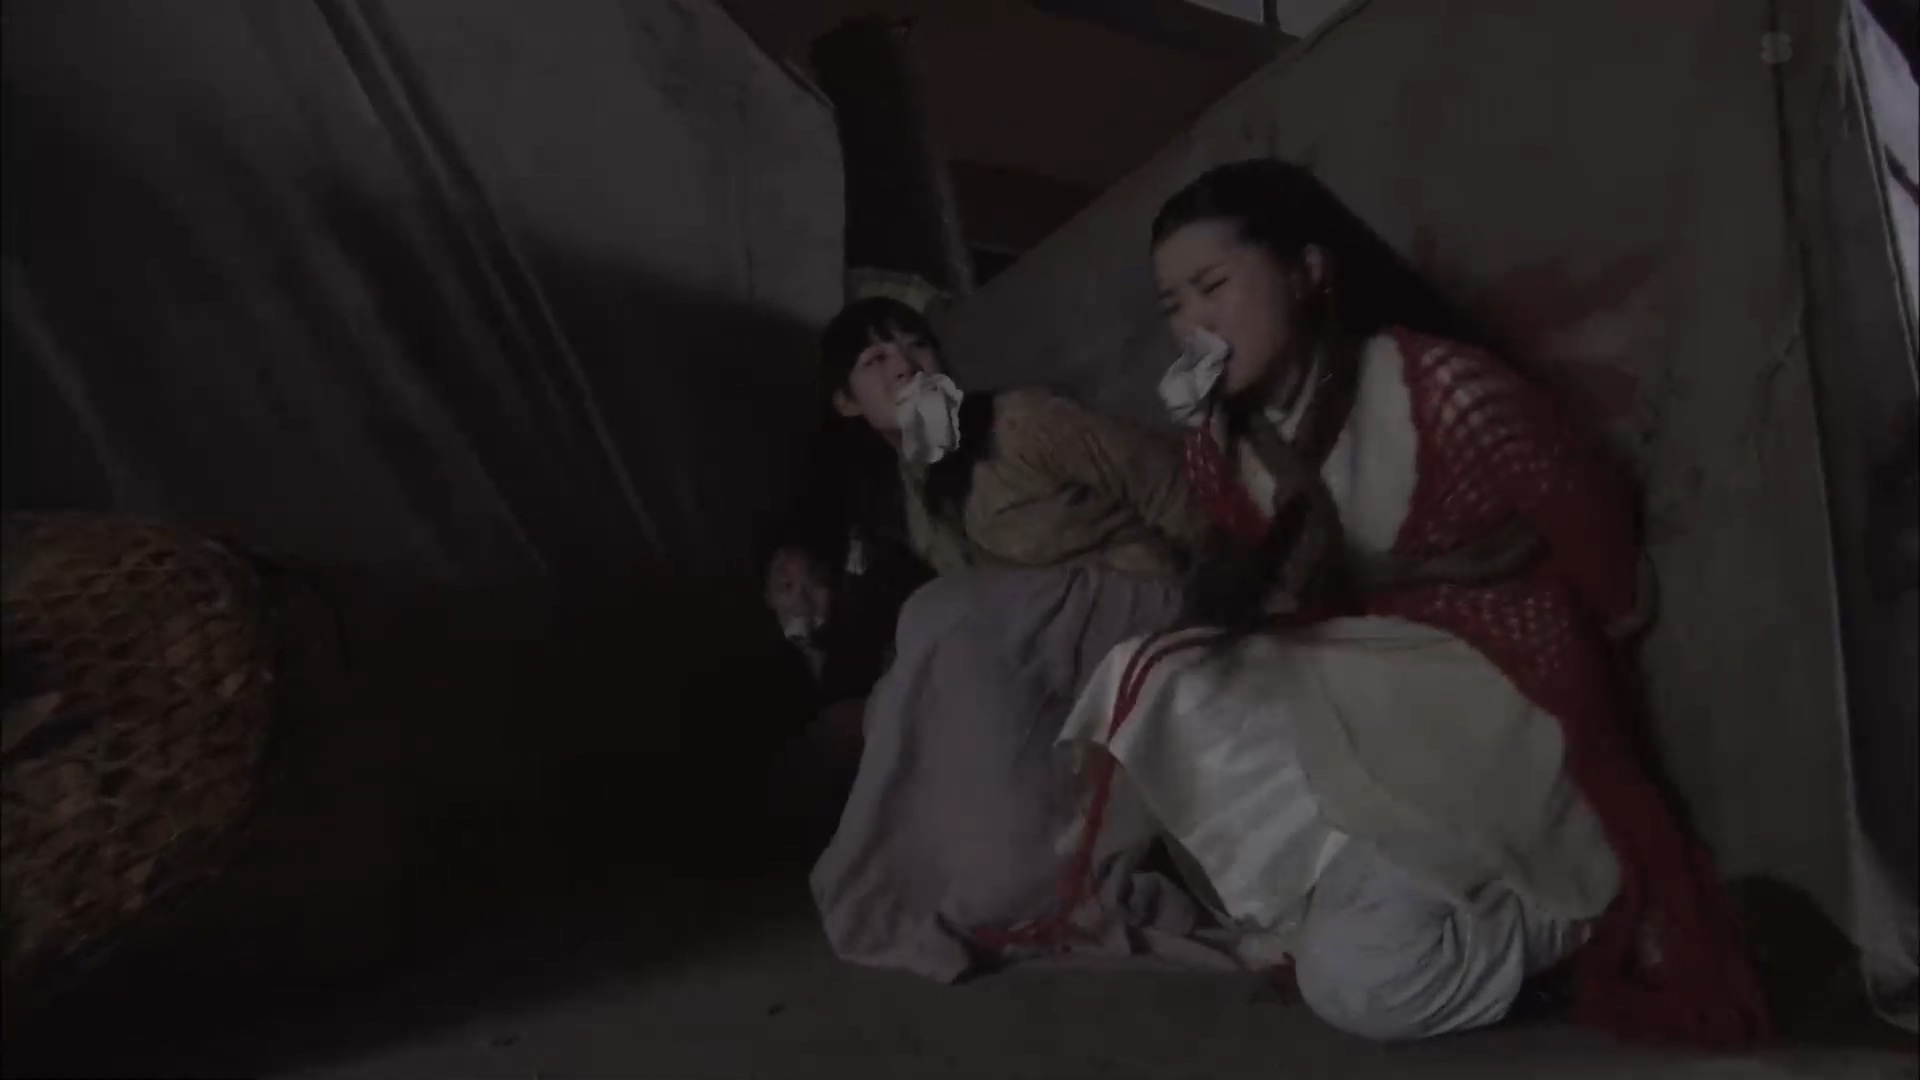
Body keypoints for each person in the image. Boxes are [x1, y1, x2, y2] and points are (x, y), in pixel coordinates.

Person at [1035, 160, 1767, 1047]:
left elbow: (1597, 538)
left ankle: (1576, 911)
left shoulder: (1441, 390)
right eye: (1174, 305)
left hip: (1500, 669)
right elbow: (1247, 585)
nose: (1196, 323)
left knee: (1361, 983)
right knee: (1153, 677)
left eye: (1213, 287)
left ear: (1307, 272)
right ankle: (1343, 877)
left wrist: (1576, 677)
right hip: (1372, 663)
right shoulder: (1224, 443)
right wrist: (1215, 454)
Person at [802, 297, 1226, 981]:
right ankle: (980, 882)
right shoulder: (912, 492)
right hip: (1050, 642)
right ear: (848, 403)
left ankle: (1032, 883)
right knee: (898, 694)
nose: (904, 364)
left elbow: (1174, 488)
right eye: (876, 359)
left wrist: (1234, 606)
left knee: (939, 612)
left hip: (1147, 599)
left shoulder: (1023, 421)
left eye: (916, 344)